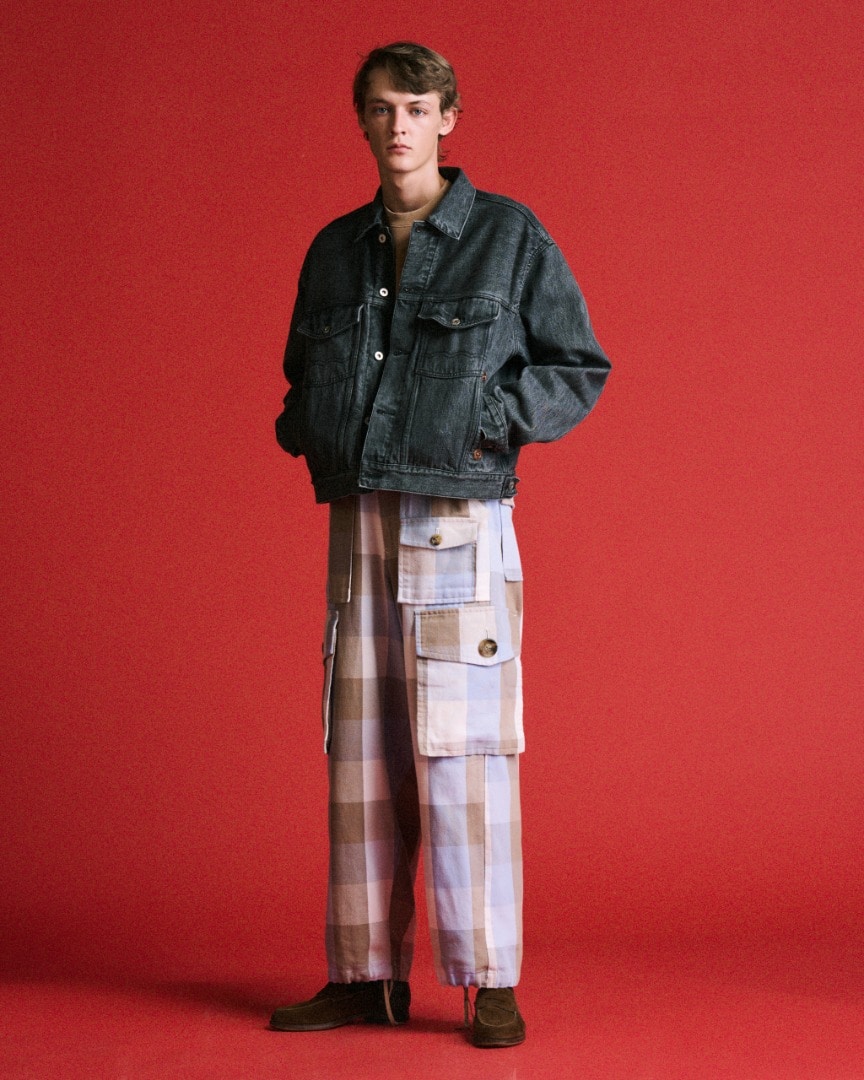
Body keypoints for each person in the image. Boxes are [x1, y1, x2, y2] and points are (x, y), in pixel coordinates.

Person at [270, 41, 610, 1049]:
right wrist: (311, 428)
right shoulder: (334, 249)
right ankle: (365, 976)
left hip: (459, 523)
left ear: (448, 118)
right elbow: (300, 375)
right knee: (361, 757)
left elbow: (578, 365)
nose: (399, 125)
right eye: (381, 108)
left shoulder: (507, 237)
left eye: (416, 107)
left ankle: (489, 979)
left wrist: (487, 424)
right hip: (361, 520)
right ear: (363, 121)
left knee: (466, 758)